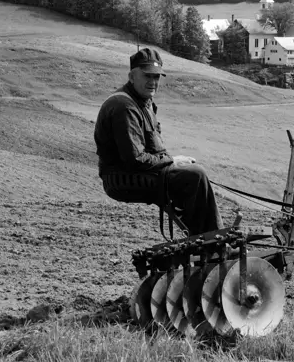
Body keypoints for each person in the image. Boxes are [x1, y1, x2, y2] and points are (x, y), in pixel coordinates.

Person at [94, 47, 223, 235]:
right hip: (123, 178)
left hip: (139, 173)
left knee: (192, 173)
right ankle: (211, 241)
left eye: (156, 77)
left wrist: (173, 162)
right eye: (147, 76)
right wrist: (171, 161)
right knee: (195, 175)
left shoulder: (144, 103)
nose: (153, 82)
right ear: (131, 76)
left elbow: (153, 150)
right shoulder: (124, 106)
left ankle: (204, 237)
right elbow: (135, 159)